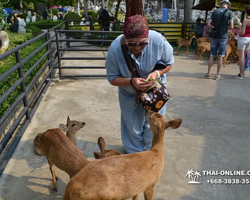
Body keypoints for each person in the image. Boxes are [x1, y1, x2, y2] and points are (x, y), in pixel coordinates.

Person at [105, 15, 174, 153]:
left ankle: (151, 151)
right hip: (129, 92)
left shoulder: (159, 40)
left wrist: (156, 74)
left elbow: (169, 63)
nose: (137, 48)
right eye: (131, 44)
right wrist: (131, 82)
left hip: (156, 92)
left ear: (148, 37)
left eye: (143, 43)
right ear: (125, 39)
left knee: (154, 122)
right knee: (132, 124)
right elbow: (112, 78)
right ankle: (134, 152)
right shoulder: (115, 49)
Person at [204, 0, 234, 80]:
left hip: (214, 35)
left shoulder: (215, 11)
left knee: (212, 55)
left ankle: (208, 73)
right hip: (223, 36)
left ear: (221, 4)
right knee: (220, 56)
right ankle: (217, 75)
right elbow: (231, 26)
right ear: (228, 5)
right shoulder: (229, 12)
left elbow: (208, 24)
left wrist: (212, 27)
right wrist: (225, 28)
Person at [234, 5, 250, 79]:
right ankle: (243, 73)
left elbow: (242, 33)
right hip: (249, 40)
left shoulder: (246, 20)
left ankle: (241, 74)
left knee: (241, 57)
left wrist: (240, 26)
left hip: (243, 39)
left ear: (246, 12)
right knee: (245, 56)